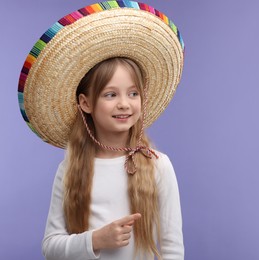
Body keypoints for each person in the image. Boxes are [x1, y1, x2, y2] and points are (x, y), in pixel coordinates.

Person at [17, 2, 185, 260]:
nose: (124, 104)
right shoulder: (70, 170)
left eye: (133, 93)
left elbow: (173, 249)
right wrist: (96, 240)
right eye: (110, 94)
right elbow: (50, 247)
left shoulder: (158, 165)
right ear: (85, 103)